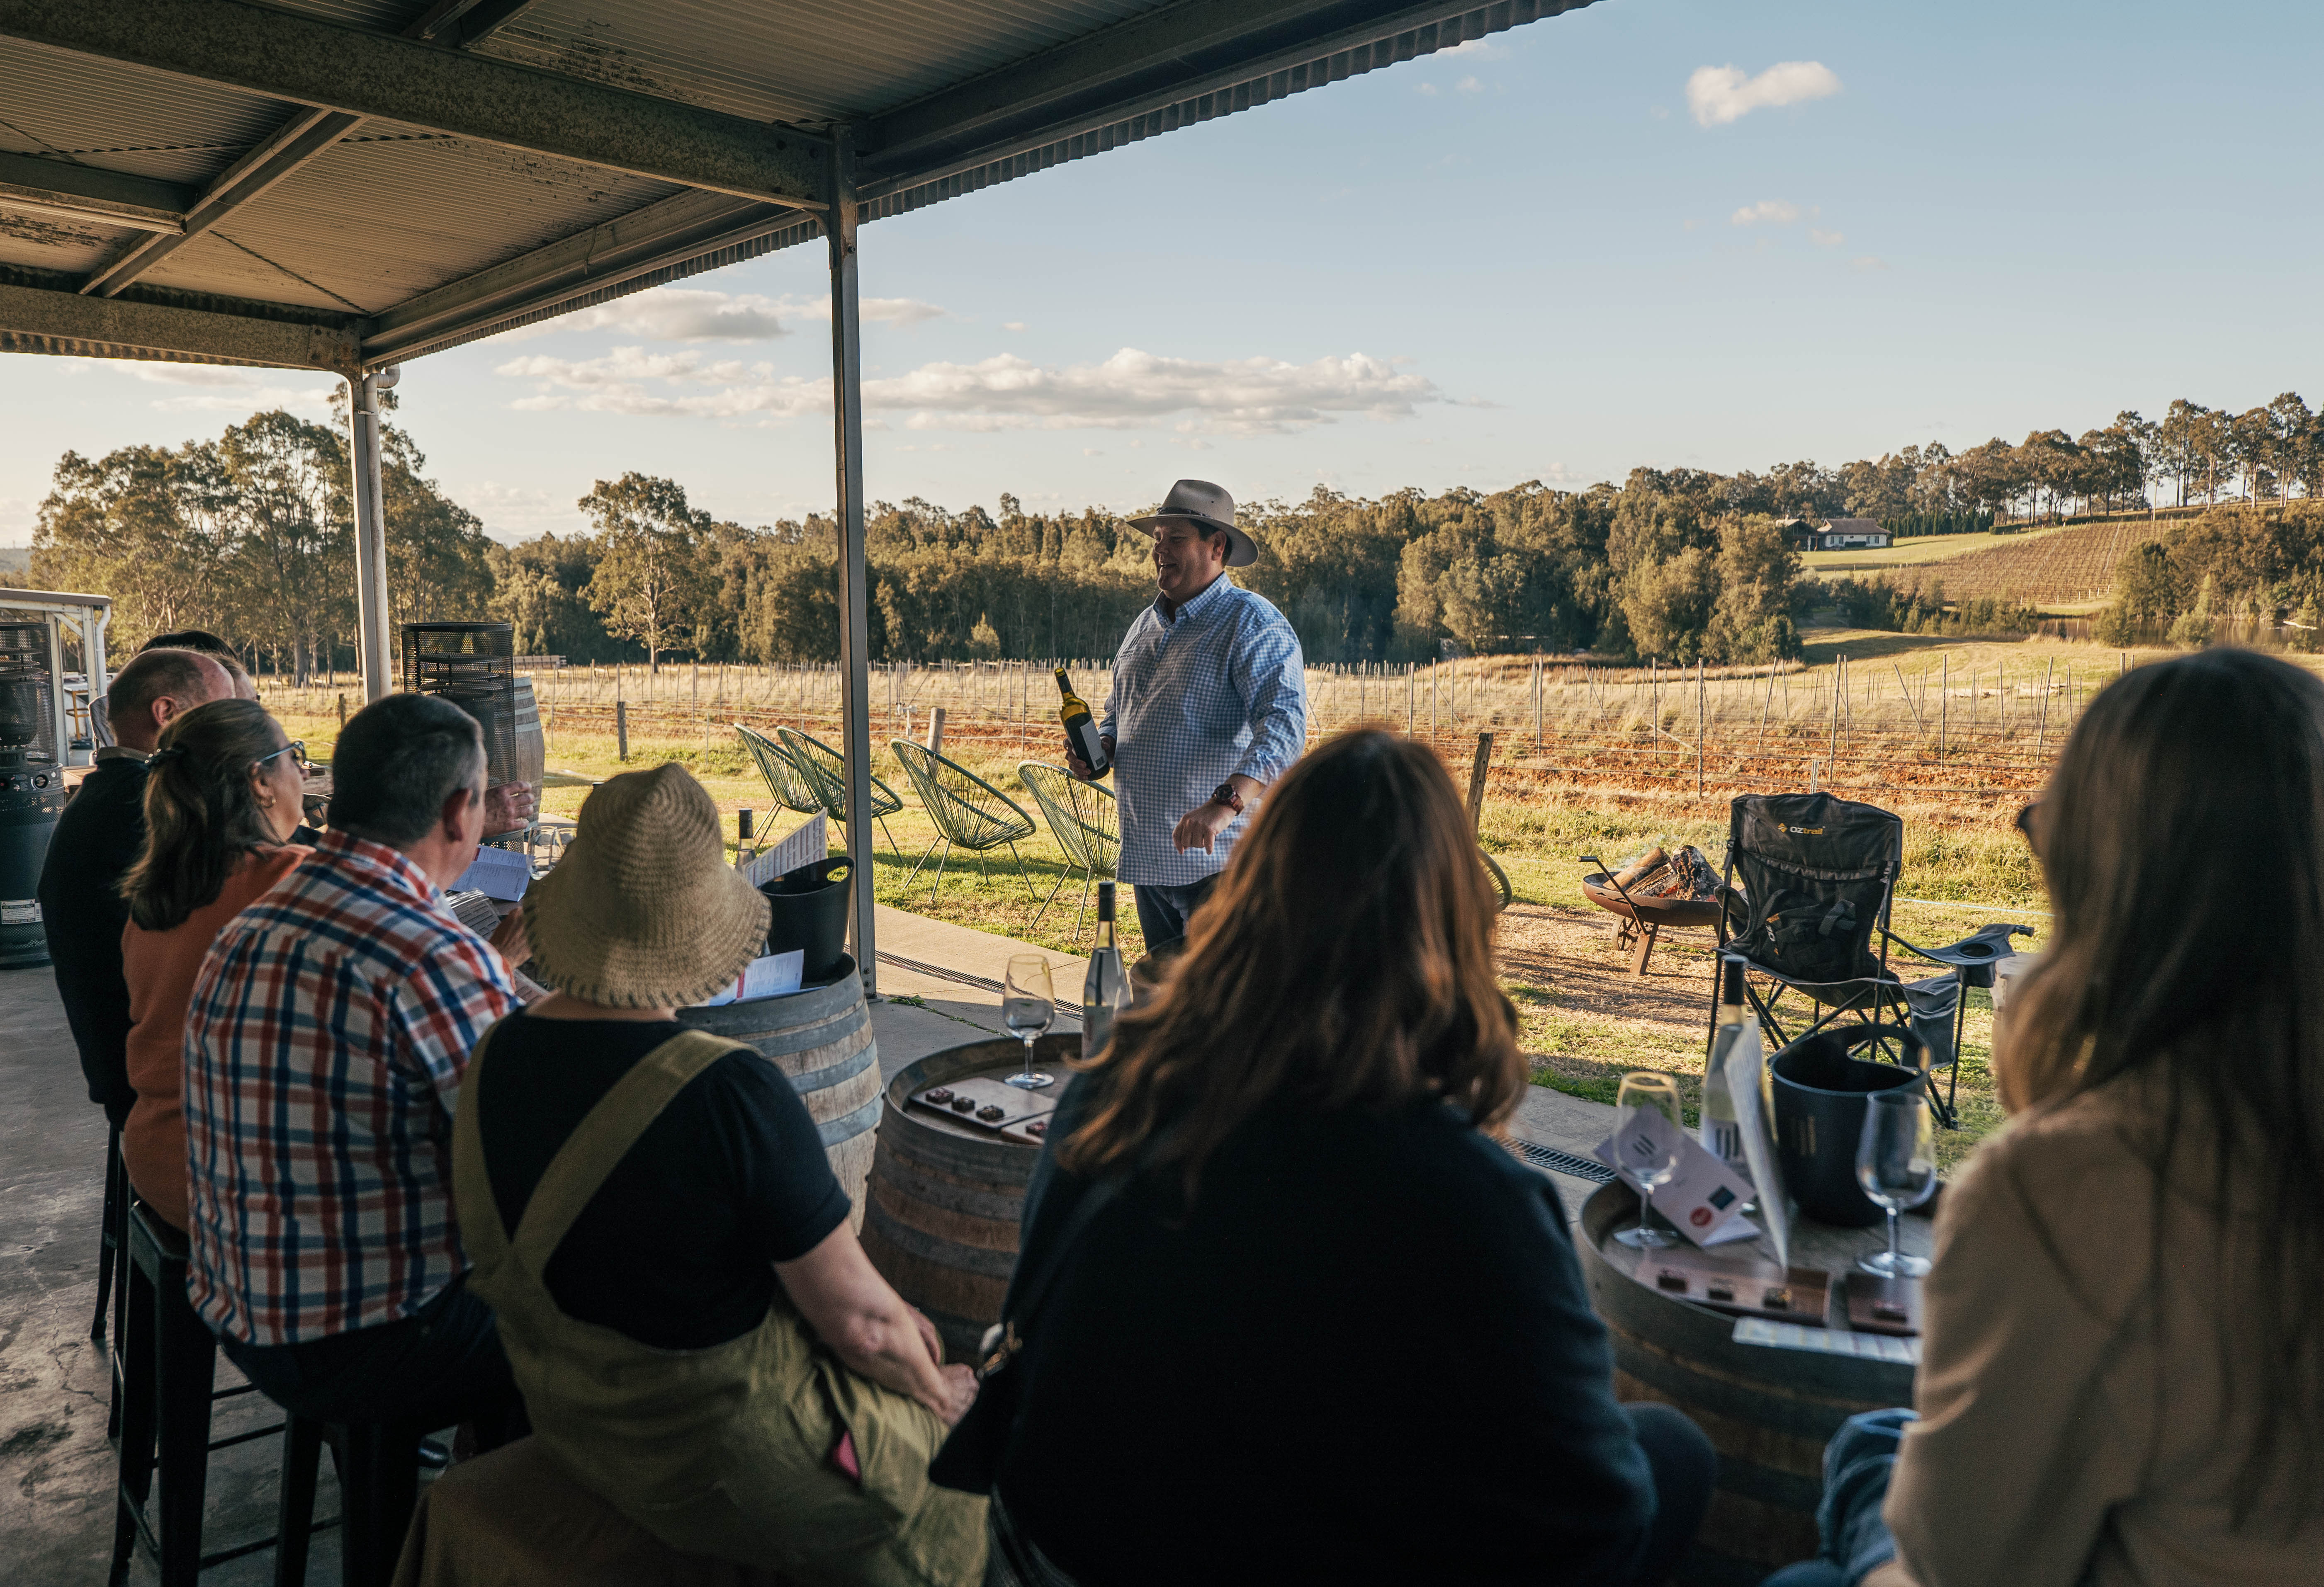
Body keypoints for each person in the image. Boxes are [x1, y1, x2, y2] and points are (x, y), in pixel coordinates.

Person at [980, 729, 1713, 1586]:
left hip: (1052, 1557)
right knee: (1672, 1453)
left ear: (1250, 896)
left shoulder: (1110, 1089)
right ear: (1447, 931)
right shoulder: (1468, 1199)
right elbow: (1599, 1519)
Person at [1764, 647, 2324, 1587]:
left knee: (1836, 1520)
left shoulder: (2073, 1185)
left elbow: (1957, 1568)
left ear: (2097, 877)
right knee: (1876, 1439)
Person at [452, 762, 987, 1585]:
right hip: (724, 1470)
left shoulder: (491, 1057)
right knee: (962, 1480)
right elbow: (866, 1328)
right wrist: (943, 1392)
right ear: (700, 935)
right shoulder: (727, 1092)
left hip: (576, 1427)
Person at [182, 691, 530, 1446]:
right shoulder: (431, 952)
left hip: (244, 1314)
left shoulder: (253, 921)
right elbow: (521, 1153)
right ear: (460, 809)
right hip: (370, 1336)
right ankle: (506, 1526)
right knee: (615, 1295)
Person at [1065, 479, 1305, 953]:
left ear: (1217, 546)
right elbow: (1120, 711)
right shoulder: (1145, 624)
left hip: (1222, 865)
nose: (1160, 552)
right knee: (1172, 1008)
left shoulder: (1252, 623)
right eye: (1157, 540)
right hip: (1150, 860)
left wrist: (1223, 806)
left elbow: (1284, 727)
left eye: (1175, 539)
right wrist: (1103, 745)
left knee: (1224, 1012)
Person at [118, 700, 311, 1230]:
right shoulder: (294, 880)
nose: (303, 774)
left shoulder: (153, 899)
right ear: (261, 782)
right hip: (241, 1179)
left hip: (160, 1161)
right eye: (295, 758)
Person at [38, 647, 233, 1125]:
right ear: (167, 713)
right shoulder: (149, 808)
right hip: (170, 1091)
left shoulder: (111, 793)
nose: (237, 732)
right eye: (227, 713)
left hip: (141, 1069)